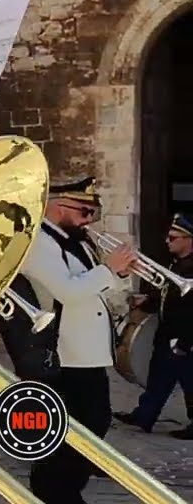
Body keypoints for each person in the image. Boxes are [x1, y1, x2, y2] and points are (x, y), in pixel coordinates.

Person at [14, 177, 135, 504]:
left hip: (88, 354)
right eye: (84, 211)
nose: (89, 220)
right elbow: (67, 291)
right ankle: (54, 490)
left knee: (94, 422)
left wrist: (119, 275)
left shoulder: (76, 242)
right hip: (64, 354)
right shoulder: (40, 243)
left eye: (92, 213)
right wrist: (108, 270)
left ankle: (59, 488)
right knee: (76, 430)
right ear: (58, 207)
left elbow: (97, 288)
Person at [114, 212, 193, 438]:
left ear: (189, 240)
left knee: (189, 379)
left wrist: (186, 341)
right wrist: (147, 303)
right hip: (167, 330)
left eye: (173, 238)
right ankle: (144, 415)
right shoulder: (175, 264)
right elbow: (166, 294)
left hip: (185, 334)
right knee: (158, 376)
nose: (167, 241)